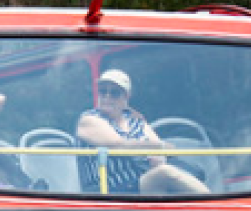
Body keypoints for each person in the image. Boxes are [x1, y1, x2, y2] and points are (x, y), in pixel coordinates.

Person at [76, 69, 209, 195]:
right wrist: (158, 148)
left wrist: (159, 156)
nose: (107, 97)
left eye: (114, 93)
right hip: (108, 189)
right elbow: (118, 145)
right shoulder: (89, 119)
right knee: (164, 173)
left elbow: (161, 147)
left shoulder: (135, 120)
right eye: (102, 91)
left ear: (126, 97)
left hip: (141, 183)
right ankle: (213, 205)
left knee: (166, 174)